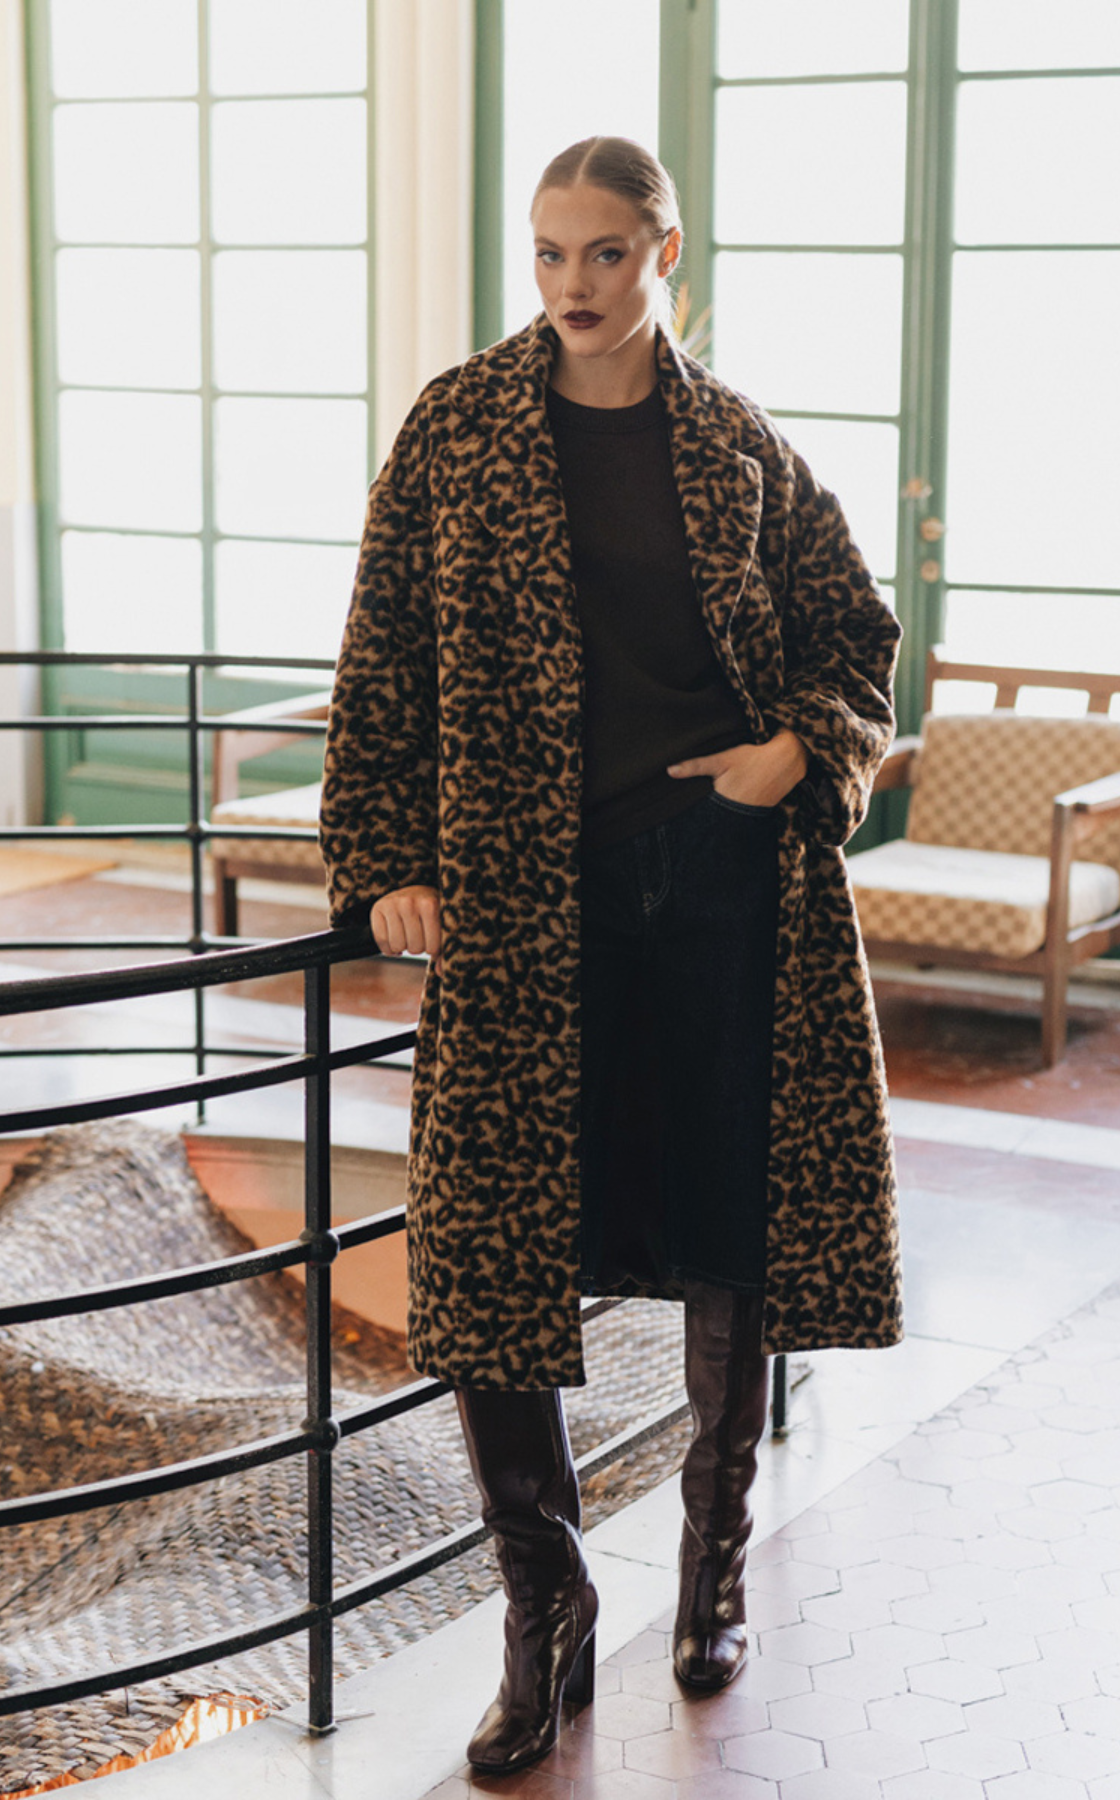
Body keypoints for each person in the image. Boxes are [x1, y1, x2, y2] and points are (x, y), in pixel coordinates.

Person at [319, 135, 903, 1776]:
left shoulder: (736, 444)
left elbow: (857, 631)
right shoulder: (456, 427)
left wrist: (804, 751)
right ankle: (549, 1612)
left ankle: (712, 1573)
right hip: (520, 905)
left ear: (666, 253)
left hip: (726, 889)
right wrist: (384, 865)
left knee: (733, 1224)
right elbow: (380, 669)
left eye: (605, 254)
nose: (573, 286)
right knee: (496, 1264)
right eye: (549, 255)